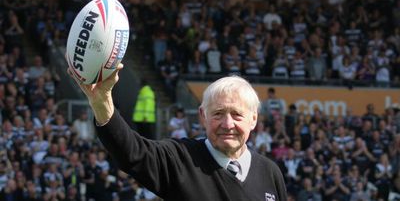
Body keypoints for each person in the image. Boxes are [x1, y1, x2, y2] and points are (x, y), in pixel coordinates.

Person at [68, 64, 287, 201]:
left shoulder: (270, 173)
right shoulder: (179, 159)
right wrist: (102, 103)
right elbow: (132, 153)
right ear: (202, 116)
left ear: (254, 119)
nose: (227, 124)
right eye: (218, 114)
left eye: (237, 115)